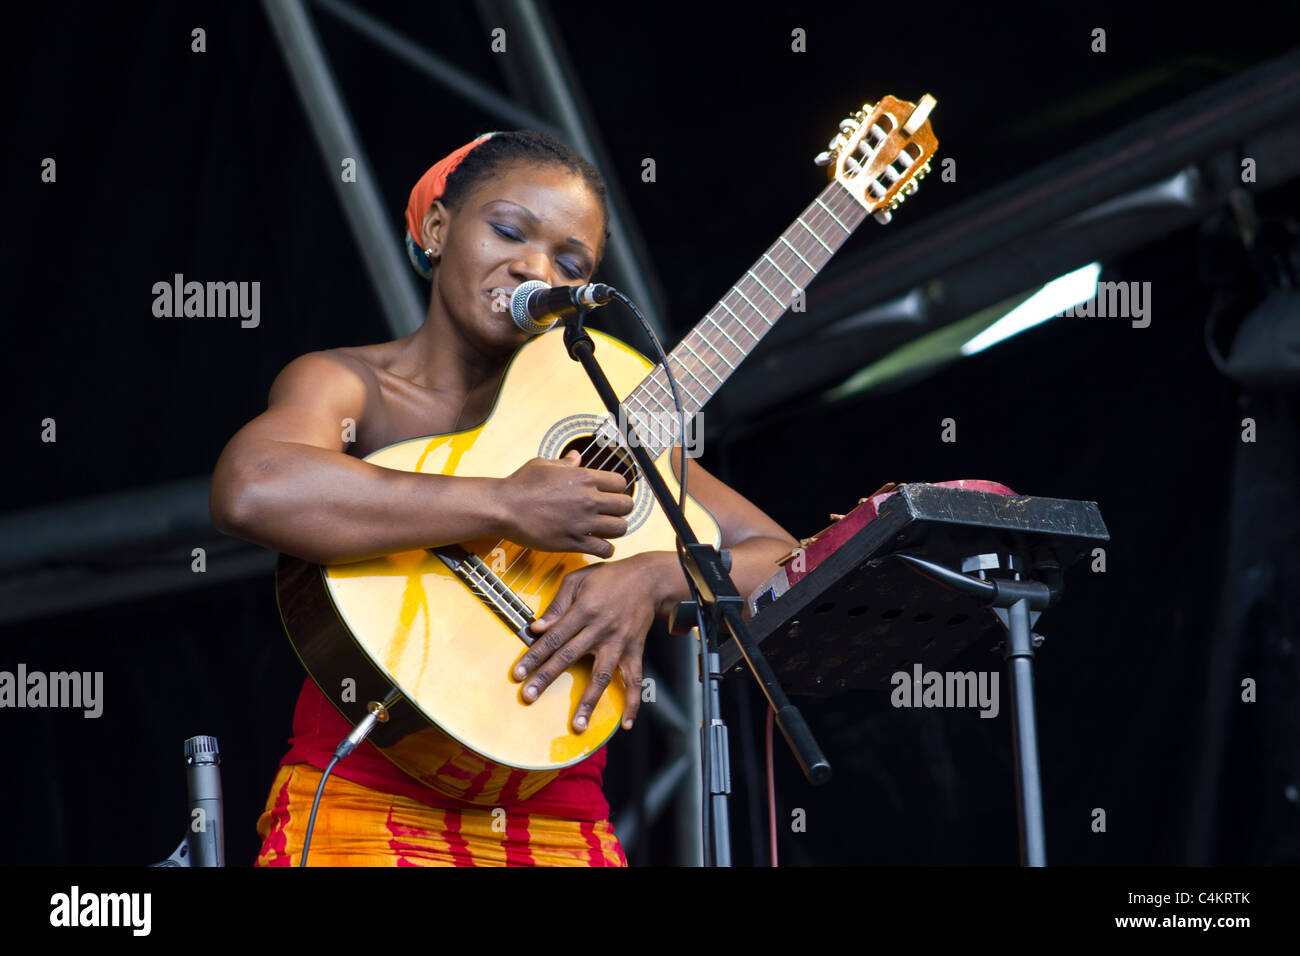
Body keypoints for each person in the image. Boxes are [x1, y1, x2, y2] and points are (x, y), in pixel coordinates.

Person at [209, 129, 799, 866]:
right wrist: (506, 504)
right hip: (367, 798)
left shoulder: (606, 414)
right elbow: (253, 488)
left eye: (569, 262)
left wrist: (650, 578)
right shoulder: (350, 385)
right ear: (436, 227)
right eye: (509, 230)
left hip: (558, 813)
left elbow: (783, 558)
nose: (533, 267)